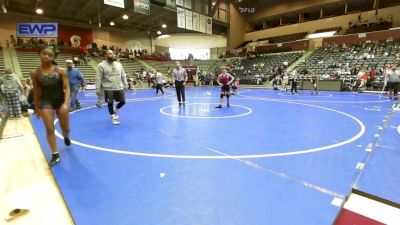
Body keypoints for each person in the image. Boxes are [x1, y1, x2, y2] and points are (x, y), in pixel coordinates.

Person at [31, 47, 71, 167]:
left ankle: (66, 136)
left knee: (65, 127)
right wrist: (37, 107)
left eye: (49, 55)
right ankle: (55, 154)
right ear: (40, 54)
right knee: (49, 128)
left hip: (60, 101)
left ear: (53, 57)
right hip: (45, 102)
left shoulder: (61, 71)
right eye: (44, 53)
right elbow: (36, 90)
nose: (46, 56)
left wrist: (65, 104)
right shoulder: (35, 73)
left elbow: (67, 88)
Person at [96, 50, 128, 125]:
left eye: (112, 53)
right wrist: (98, 88)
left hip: (119, 87)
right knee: (110, 103)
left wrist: (125, 84)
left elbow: (123, 75)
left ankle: (116, 110)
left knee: (123, 102)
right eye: (109, 54)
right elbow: (98, 77)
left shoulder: (119, 64)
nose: (111, 55)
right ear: (105, 56)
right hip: (108, 88)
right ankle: (113, 117)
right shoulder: (101, 65)